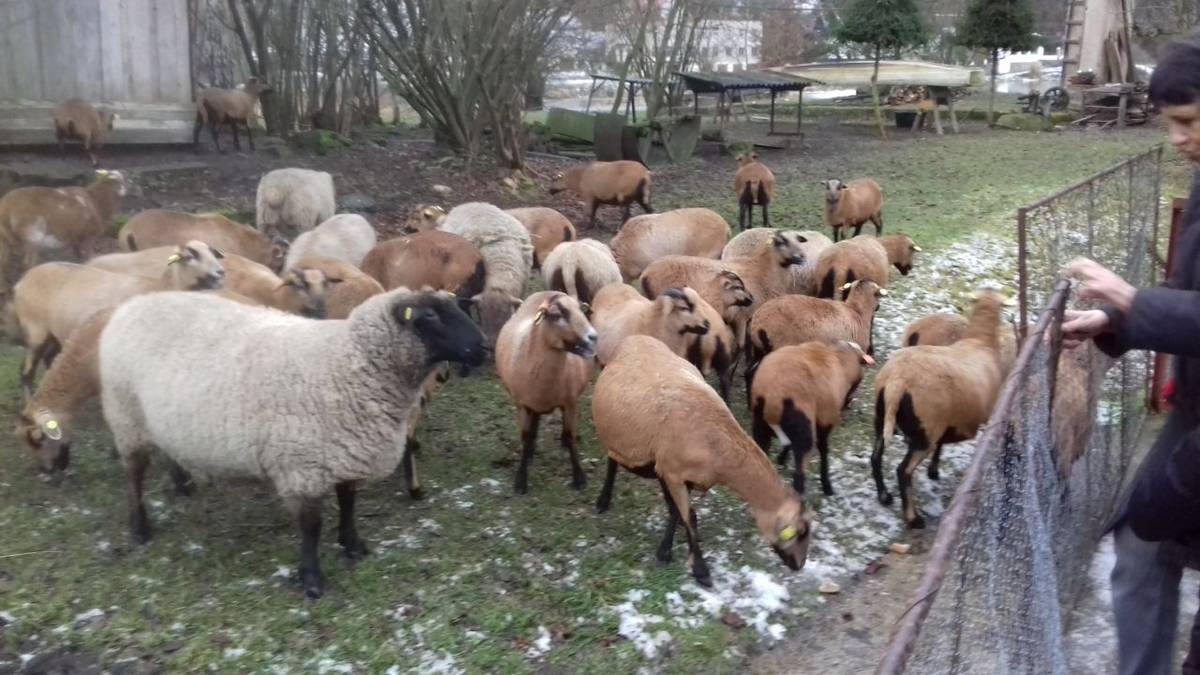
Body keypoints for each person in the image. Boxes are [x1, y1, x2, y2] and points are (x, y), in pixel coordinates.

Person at [1063, 33, 1200, 675]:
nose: (1177, 138)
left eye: (1189, 121)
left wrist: (1133, 299)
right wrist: (1116, 320)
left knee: (1147, 536)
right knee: (1143, 543)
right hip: (1194, 413)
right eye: (1172, 123)